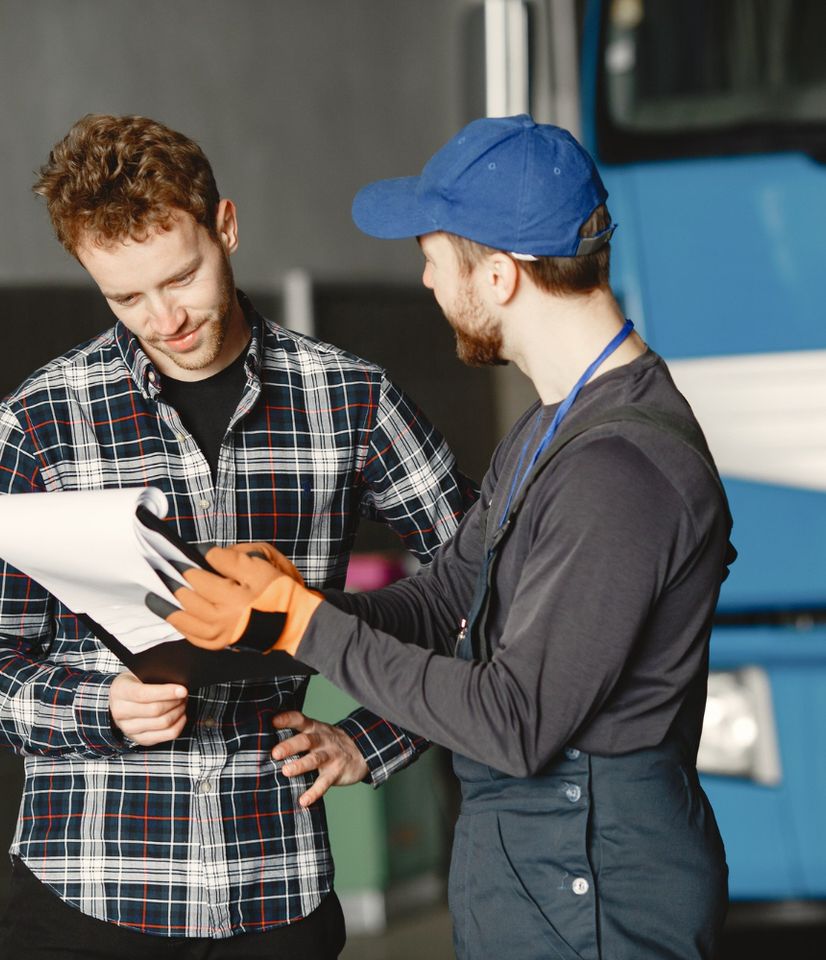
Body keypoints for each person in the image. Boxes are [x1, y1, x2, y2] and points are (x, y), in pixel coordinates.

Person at [160, 115, 736, 960]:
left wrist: (302, 626)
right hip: (542, 877)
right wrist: (294, 600)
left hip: (597, 896)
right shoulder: (552, 428)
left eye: (434, 256)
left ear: (500, 275)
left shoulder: (618, 473)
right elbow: (445, 602)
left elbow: (515, 720)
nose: (426, 279)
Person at [0, 113, 476, 959]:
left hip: (276, 889)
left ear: (225, 226)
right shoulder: (39, 421)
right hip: (87, 892)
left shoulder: (351, 398)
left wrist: (374, 740)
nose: (164, 318)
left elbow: (488, 584)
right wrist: (99, 707)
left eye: (180, 277)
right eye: (125, 297)